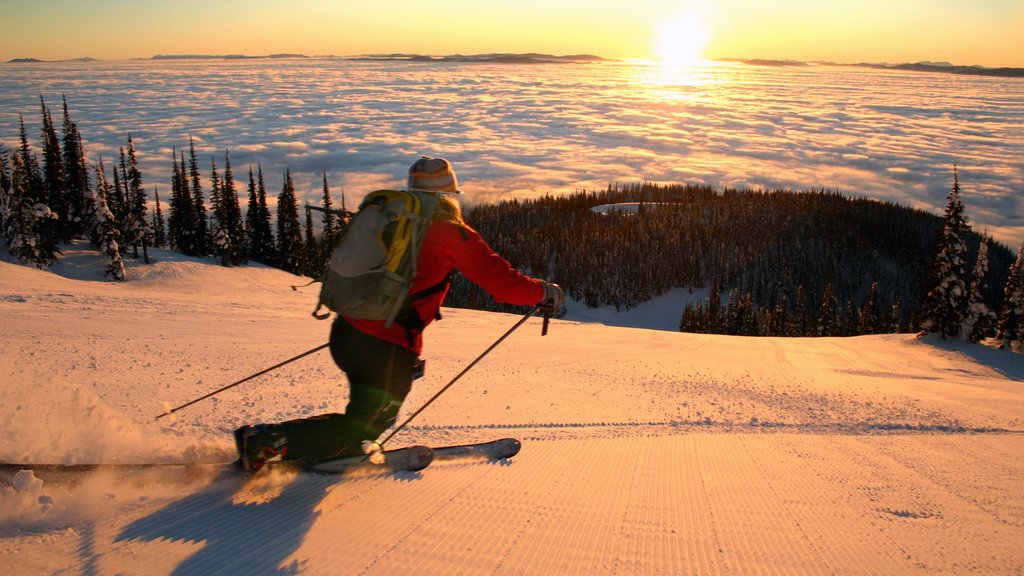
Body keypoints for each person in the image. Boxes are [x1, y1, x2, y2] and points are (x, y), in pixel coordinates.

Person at [235, 157, 563, 471]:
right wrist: (545, 292)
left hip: (348, 332)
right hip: (386, 345)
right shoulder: (451, 232)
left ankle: (297, 446)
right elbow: (503, 284)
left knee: (364, 416)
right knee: (369, 422)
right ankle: (271, 442)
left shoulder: (390, 217)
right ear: (451, 193)